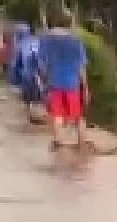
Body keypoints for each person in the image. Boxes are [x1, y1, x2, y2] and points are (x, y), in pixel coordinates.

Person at [38, 8, 88, 153]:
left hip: (55, 82)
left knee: (57, 115)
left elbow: (42, 64)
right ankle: (81, 144)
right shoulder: (76, 40)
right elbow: (81, 66)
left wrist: (44, 80)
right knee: (78, 116)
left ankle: (59, 142)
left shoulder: (46, 39)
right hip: (73, 83)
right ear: (69, 23)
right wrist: (85, 87)